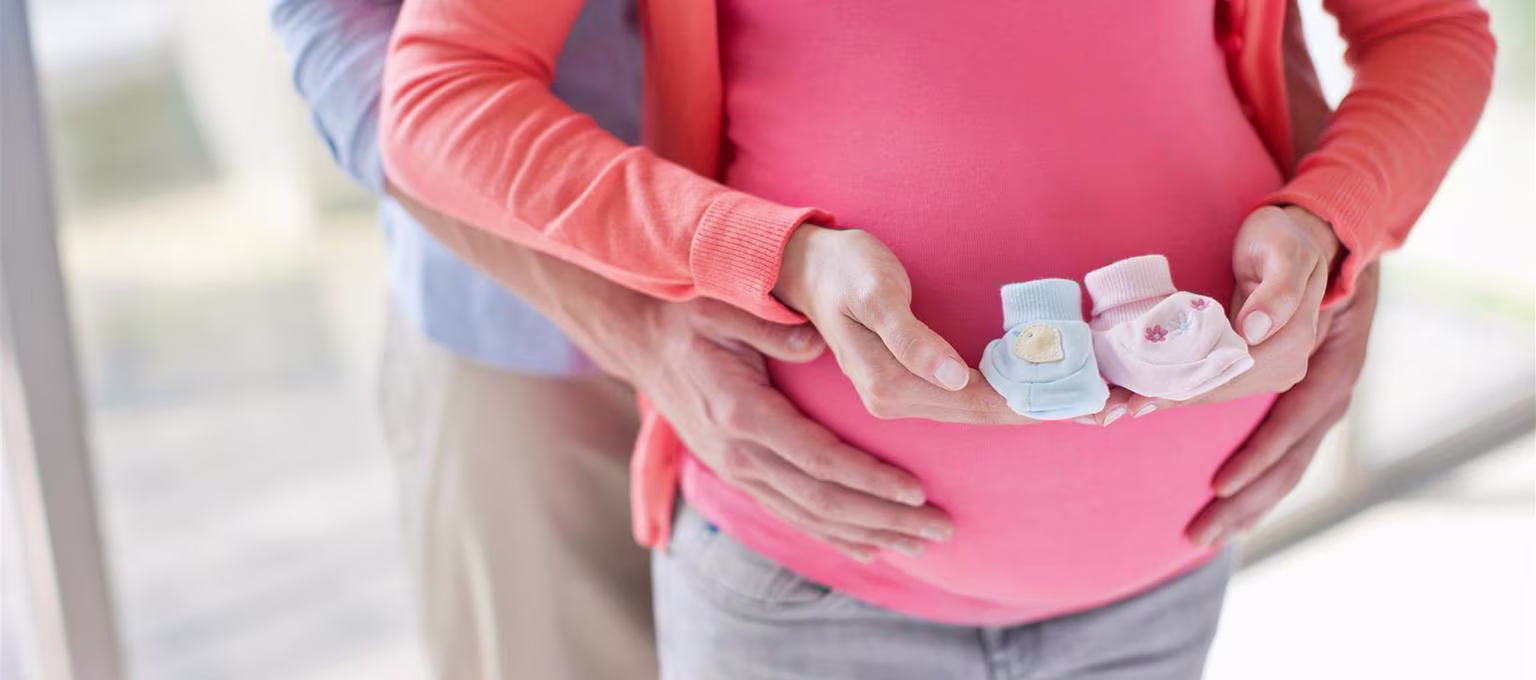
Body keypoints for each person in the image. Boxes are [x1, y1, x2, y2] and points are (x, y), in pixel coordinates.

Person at [377, 0, 1494, 678]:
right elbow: (437, 100)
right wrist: (762, 251)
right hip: (811, 595)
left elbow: (1430, 29)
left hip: (1164, 578)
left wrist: (1335, 218)